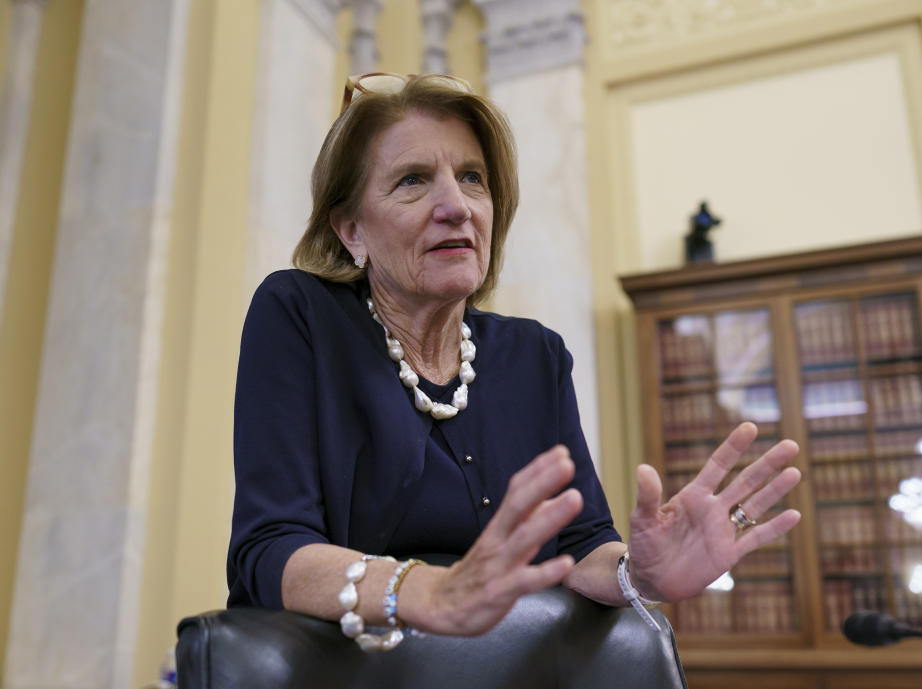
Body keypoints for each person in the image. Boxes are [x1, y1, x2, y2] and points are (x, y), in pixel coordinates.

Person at [227, 73, 802, 651]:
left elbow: (581, 543)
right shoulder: (299, 313)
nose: (456, 206)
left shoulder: (535, 355)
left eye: (472, 178)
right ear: (352, 230)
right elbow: (270, 547)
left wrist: (639, 573)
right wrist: (429, 593)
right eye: (412, 181)